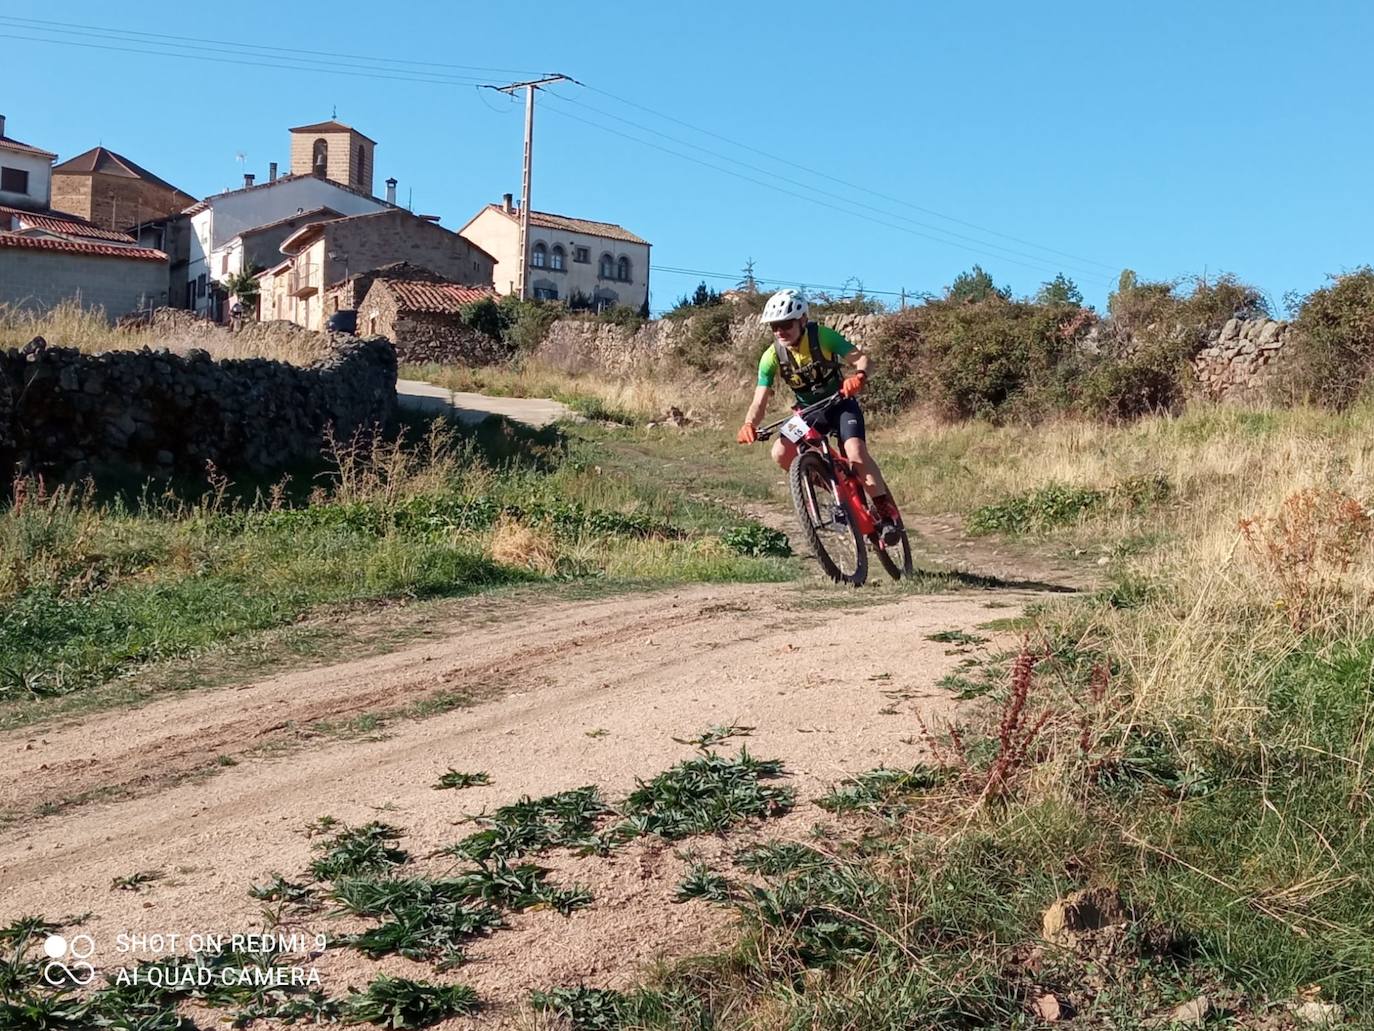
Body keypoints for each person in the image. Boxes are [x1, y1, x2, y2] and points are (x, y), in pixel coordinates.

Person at [736, 288, 902, 543]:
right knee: (781, 453)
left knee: (855, 453)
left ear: (802, 320)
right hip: (808, 413)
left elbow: (862, 359)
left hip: (840, 404)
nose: (780, 331)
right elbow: (760, 399)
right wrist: (749, 424)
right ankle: (836, 488)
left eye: (786, 324)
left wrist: (859, 377)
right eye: (774, 327)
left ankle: (885, 512)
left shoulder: (822, 336)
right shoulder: (771, 356)